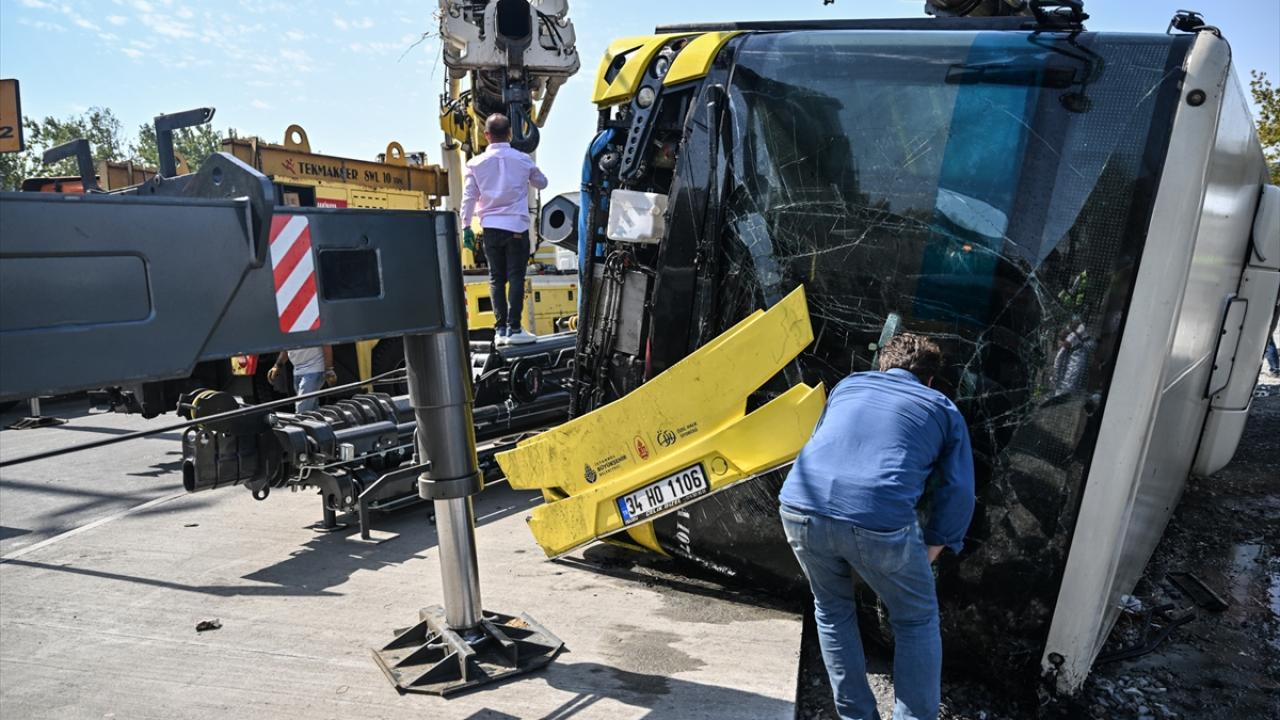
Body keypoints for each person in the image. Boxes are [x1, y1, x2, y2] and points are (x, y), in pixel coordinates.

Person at [778, 333, 975, 720]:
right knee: (916, 619)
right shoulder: (942, 407)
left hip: (798, 504)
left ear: (881, 366)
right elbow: (959, 492)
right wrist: (934, 547)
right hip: (877, 519)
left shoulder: (848, 386)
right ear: (930, 379)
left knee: (832, 609)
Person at [460, 113, 549, 346]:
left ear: (486, 135)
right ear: (510, 133)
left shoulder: (475, 164)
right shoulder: (523, 160)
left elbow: (469, 198)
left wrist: (466, 226)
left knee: (496, 279)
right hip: (517, 228)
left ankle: (500, 331)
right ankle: (515, 328)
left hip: (490, 229)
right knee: (516, 277)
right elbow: (542, 183)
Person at [268, 347, 335, 413]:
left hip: (315, 368)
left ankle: (300, 421)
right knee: (311, 406)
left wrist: (329, 369)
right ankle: (317, 422)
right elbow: (286, 348)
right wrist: (277, 366)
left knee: (303, 406)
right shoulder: (287, 336)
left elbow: (326, 344)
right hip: (297, 371)